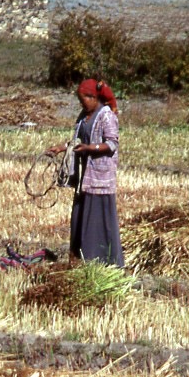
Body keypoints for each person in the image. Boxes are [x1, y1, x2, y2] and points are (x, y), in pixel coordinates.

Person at [47, 79, 124, 267]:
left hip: (99, 178)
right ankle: (79, 259)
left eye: (84, 100)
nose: (82, 104)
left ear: (93, 97)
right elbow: (77, 140)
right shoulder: (84, 116)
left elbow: (112, 143)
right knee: (80, 217)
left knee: (97, 220)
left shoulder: (106, 116)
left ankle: (102, 261)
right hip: (84, 176)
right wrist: (61, 148)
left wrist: (90, 148)